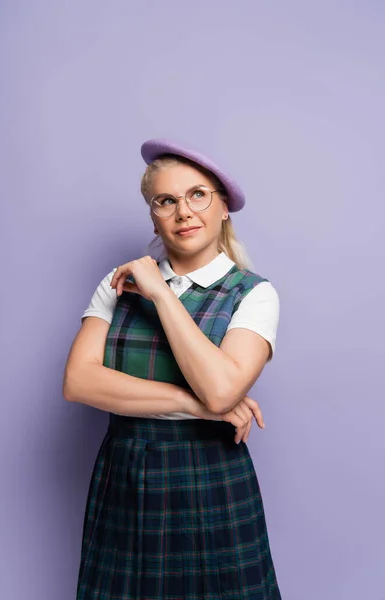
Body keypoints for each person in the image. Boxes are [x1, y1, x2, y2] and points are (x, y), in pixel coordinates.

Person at [63, 138, 282, 599]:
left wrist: (161, 293)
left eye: (198, 194)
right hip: (125, 475)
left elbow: (222, 391)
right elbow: (79, 382)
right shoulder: (117, 284)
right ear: (154, 215)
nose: (184, 211)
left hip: (211, 477)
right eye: (166, 201)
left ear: (224, 208)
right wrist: (192, 404)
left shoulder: (254, 294)